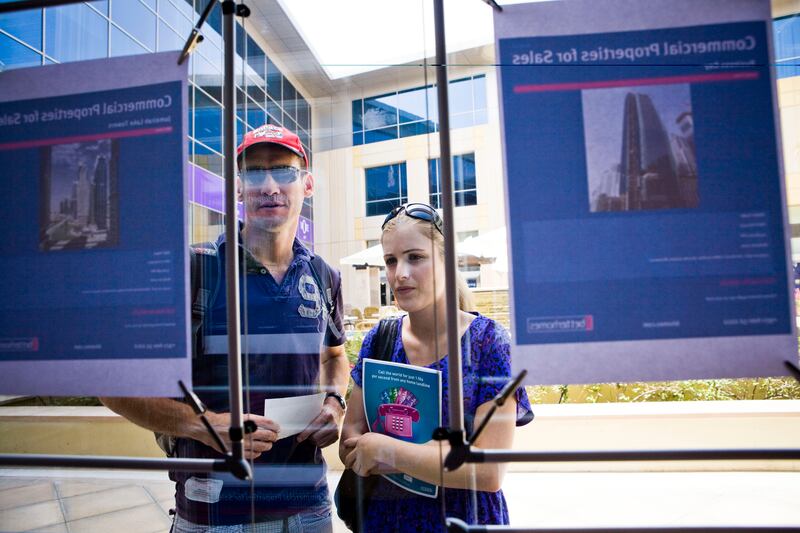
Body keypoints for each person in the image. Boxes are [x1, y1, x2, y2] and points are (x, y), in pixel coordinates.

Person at [102, 124, 349, 532]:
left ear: (307, 185)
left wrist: (335, 403)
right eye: (254, 172)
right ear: (238, 188)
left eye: (284, 171)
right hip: (214, 512)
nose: (269, 185)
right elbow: (110, 381)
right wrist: (208, 427)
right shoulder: (193, 270)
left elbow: (334, 356)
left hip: (310, 507)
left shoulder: (324, 276)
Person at [339, 203, 533, 531]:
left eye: (415, 257)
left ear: (445, 260)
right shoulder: (379, 339)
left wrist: (387, 449)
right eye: (391, 260)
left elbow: (489, 472)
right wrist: (438, 456)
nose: (400, 273)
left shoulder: (488, 343)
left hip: (464, 520)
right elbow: (349, 442)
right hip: (387, 520)